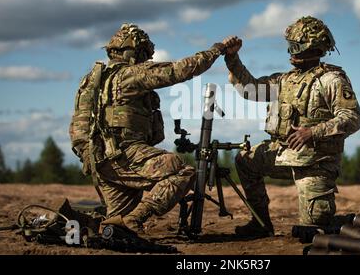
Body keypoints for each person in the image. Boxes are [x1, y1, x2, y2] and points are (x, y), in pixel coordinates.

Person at [69, 23, 239, 234]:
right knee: (182, 171)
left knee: (114, 228)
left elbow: (77, 126)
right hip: (126, 155)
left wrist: (89, 156)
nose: (147, 59)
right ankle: (134, 218)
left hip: (100, 162)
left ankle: (93, 225)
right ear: (136, 52)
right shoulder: (130, 74)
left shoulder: (91, 81)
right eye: (145, 54)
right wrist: (218, 49)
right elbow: (180, 70)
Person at [222, 16, 360, 237]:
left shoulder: (332, 80)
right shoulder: (285, 80)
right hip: (283, 153)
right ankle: (260, 222)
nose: (291, 52)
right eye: (290, 46)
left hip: (316, 162)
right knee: (245, 159)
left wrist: (313, 132)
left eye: (296, 46)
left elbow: (352, 117)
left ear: (313, 47)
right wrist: (233, 58)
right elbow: (251, 89)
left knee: (313, 230)